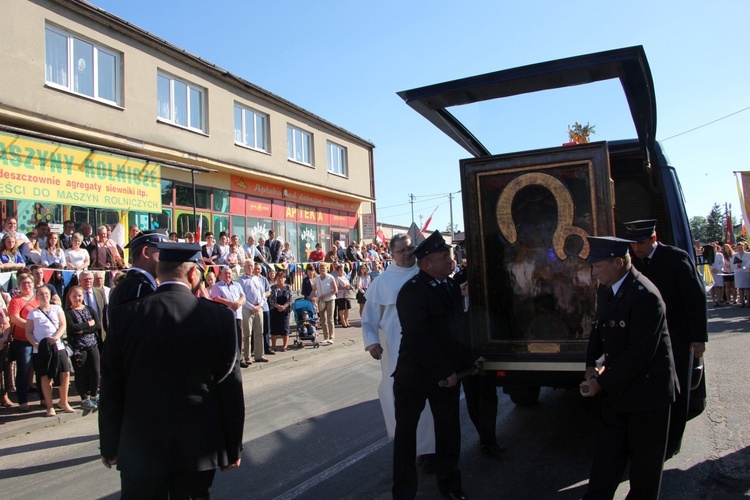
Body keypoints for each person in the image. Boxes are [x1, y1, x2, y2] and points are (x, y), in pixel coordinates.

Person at [99, 242, 244, 498]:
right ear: (192, 274)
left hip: (140, 443)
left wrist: (110, 444)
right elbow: (229, 386)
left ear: (160, 273)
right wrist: (232, 448)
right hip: (198, 444)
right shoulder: (219, 317)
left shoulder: (125, 315)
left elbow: (112, 385)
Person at [580, 236, 678, 500]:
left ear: (617, 262)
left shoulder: (646, 296)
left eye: (598, 266)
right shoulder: (606, 288)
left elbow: (639, 354)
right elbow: (598, 329)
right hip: (619, 390)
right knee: (604, 465)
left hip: (648, 396)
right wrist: (591, 366)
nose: (594, 272)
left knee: (644, 476)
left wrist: (601, 382)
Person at [392, 231, 474, 500]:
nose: (451, 263)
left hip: (446, 376)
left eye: (450, 257)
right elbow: (420, 337)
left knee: (449, 434)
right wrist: (445, 371)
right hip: (414, 377)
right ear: (425, 264)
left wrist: (468, 362)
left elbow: (456, 330)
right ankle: (403, 493)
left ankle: (451, 487)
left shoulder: (449, 287)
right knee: (406, 438)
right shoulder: (412, 292)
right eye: (444, 259)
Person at [625, 220, 707, 459]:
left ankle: (672, 444)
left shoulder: (675, 258)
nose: (636, 248)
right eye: (633, 244)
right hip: (650, 339)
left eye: (640, 243)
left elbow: (695, 297)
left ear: (653, 238)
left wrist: (698, 337)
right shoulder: (635, 263)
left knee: (678, 390)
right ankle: (654, 440)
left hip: (677, 336)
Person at [361, 234, 436, 466]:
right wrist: (372, 341)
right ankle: (410, 447)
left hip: (428, 345)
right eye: (401, 250)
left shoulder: (427, 274)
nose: (407, 253)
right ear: (392, 254)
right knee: (401, 396)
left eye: (410, 248)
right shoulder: (382, 282)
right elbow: (369, 319)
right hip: (395, 348)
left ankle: (431, 450)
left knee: (432, 397)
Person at [25, 285, 74, 416]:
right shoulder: (33, 313)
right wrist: (36, 345)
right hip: (41, 350)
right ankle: (49, 405)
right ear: (37, 297)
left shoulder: (57, 308)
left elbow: (63, 325)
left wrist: (56, 338)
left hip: (58, 346)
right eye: (41, 294)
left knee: (65, 373)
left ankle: (63, 402)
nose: (44, 296)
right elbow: (28, 332)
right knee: (45, 377)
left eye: (46, 293)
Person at [108, 231, 167, 311]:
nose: (166, 257)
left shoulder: (131, 283)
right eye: (161, 251)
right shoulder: (141, 288)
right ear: (145, 252)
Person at [65, 285, 101, 410]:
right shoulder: (68, 313)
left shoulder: (90, 309)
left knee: (96, 371)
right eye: (74, 296)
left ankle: (95, 394)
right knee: (81, 373)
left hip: (93, 344)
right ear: (70, 297)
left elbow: (97, 325)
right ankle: (84, 397)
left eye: (79, 296)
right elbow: (71, 328)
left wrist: (81, 329)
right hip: (78, 348)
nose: (77, 298)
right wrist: (86, 324)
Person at [8, 273, 39, 412]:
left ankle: (44, 398)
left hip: (39, 339)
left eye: (29, 283)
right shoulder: (16, 300)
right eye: (23, 283)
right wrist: (31, 327)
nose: (27, 285)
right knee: (23, 370)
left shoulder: (38, 298)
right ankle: (23, 400)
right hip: (23, 341)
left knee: (40, 369)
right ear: (19, 286)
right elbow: (14, 318)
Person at [239, 261, 268, 366]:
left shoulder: (257, 279)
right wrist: (252, 307)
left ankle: (259, 355)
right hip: (247, 308)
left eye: (252, 266)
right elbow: (242, 296)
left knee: (259, 332)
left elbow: (263, 294)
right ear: (245, 267)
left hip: (259, 307)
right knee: (247, 334)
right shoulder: (241, 280)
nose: (251, 268)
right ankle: (247, 356)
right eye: (249, 266)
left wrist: (260, 305)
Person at [212, 266, 246, 350]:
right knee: (228, 339)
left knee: (238, 337)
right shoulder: (217, 286)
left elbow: (243, 297)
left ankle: (239, 359)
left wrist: (238, 303)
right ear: (221, 275)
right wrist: (231, 304)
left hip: (237, 316)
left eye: (229, 273)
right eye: (226, 273)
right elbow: (216, 298)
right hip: (226, 316)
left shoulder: (237, 284)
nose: (228, 275)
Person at [77, 270, 108, 344]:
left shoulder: (100, 292)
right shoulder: (75, 293)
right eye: (85, 279)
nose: (88, 281)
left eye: (90, 279)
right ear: (80, 280)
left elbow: (105, 311)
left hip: (100, 333)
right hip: (83, 334)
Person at [312, 263, 337, 345]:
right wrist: (310, 296)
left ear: (327, 268)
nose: (322, 269)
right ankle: (325, 337)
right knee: (323, 320)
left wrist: (326, 296)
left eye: (324, 268)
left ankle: (331, 337)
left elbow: (335, 290)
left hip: (330, 300)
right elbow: (314, 289)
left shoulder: (330, 277)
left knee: (330, 319)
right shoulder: (317, 278)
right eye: (320, 268)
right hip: (321, 301)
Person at [268, 270, 293, 352]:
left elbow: (290, 299)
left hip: (285, 311)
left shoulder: (288, 288)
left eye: (282, 278)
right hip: (275, 310)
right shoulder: (273, 288)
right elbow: (271, 299)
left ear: (285, 279)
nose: (280, 279)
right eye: (279, 278)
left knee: (285, 328)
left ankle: (285, 345)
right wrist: (277, 306)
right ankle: (273, 346)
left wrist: (284, 306)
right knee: (274, 328)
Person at [732, 242, 750, 307]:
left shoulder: (748, 254)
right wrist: (737, 265)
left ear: (743, 247)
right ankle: (742, 302)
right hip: (738, 273)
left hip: (746, 272)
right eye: (738, 247)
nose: (740, 248)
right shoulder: (735, 255)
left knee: (747, 288)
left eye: (741, 247)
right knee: (740, 288)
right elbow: (732, 266)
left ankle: (748, 302)